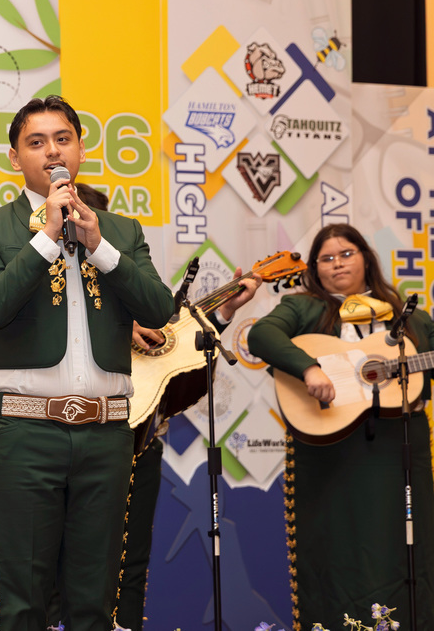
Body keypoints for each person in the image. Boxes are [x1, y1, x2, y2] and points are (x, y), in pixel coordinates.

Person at [0, 95, 174, 631]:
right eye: (36, 142)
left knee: (95, 602)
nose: (52, 150)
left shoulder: (120, 230)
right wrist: (47, 236)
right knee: (23, 600)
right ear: (14, 158)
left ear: (80, 148)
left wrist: (100, 247)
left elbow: (159, 309)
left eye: (63, 139)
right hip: (24, 431)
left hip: (105, 433)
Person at [247, 223, 434, 629]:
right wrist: (308, 368)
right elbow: (261, 335)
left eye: (346, 254)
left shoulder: (407, 314)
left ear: (366, 256)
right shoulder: (304, 307)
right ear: (315, 268)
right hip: (329, 457)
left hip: (397, 453)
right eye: (326, 259)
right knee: (336, 551)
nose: (337, 264)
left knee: (405, 547)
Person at [119, 273, 261, 631]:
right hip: (76, 439)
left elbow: (178, 337)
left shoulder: (133, 275)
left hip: (140, 441)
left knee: (132, 561)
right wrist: (116, 328)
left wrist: (225, 310)